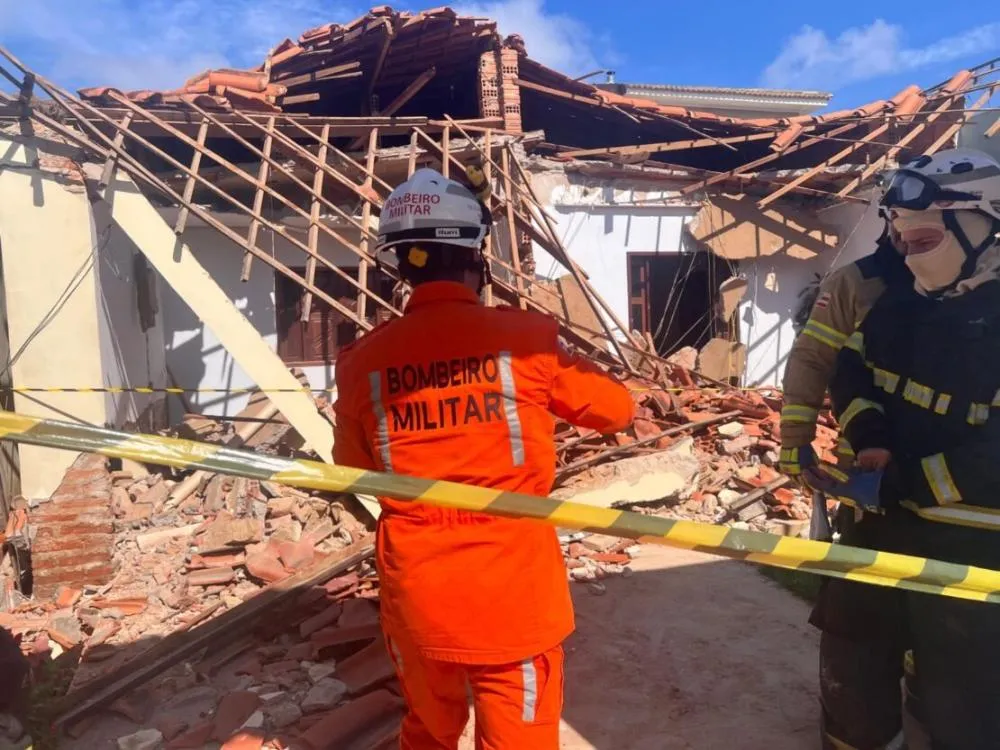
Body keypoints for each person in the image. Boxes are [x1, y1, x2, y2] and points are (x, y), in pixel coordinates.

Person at [333, 167, 635, 749]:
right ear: (478, 256)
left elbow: (352, 468)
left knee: (427, 730)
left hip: (417, 591)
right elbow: (617, 411)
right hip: (512, 591)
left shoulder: (361, 362)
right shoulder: (526, 340)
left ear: (397, 264)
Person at [820, 147, 1000, 749]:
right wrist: (869, 441)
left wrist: (916, 483)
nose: (904, 249)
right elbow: (853, 373)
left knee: (964, 699)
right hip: (880, 529)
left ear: (983, 221)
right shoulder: (901, 307)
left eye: (921, 238)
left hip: (972, 557)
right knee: (851, 662)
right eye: (899, 238)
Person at [780, 215, 913, 750]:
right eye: (906, 228)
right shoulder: (858, 283)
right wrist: (795, 438)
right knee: (857, 633)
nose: (914, 242)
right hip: (870, 488)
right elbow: (816, 359)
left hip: (963, 497)